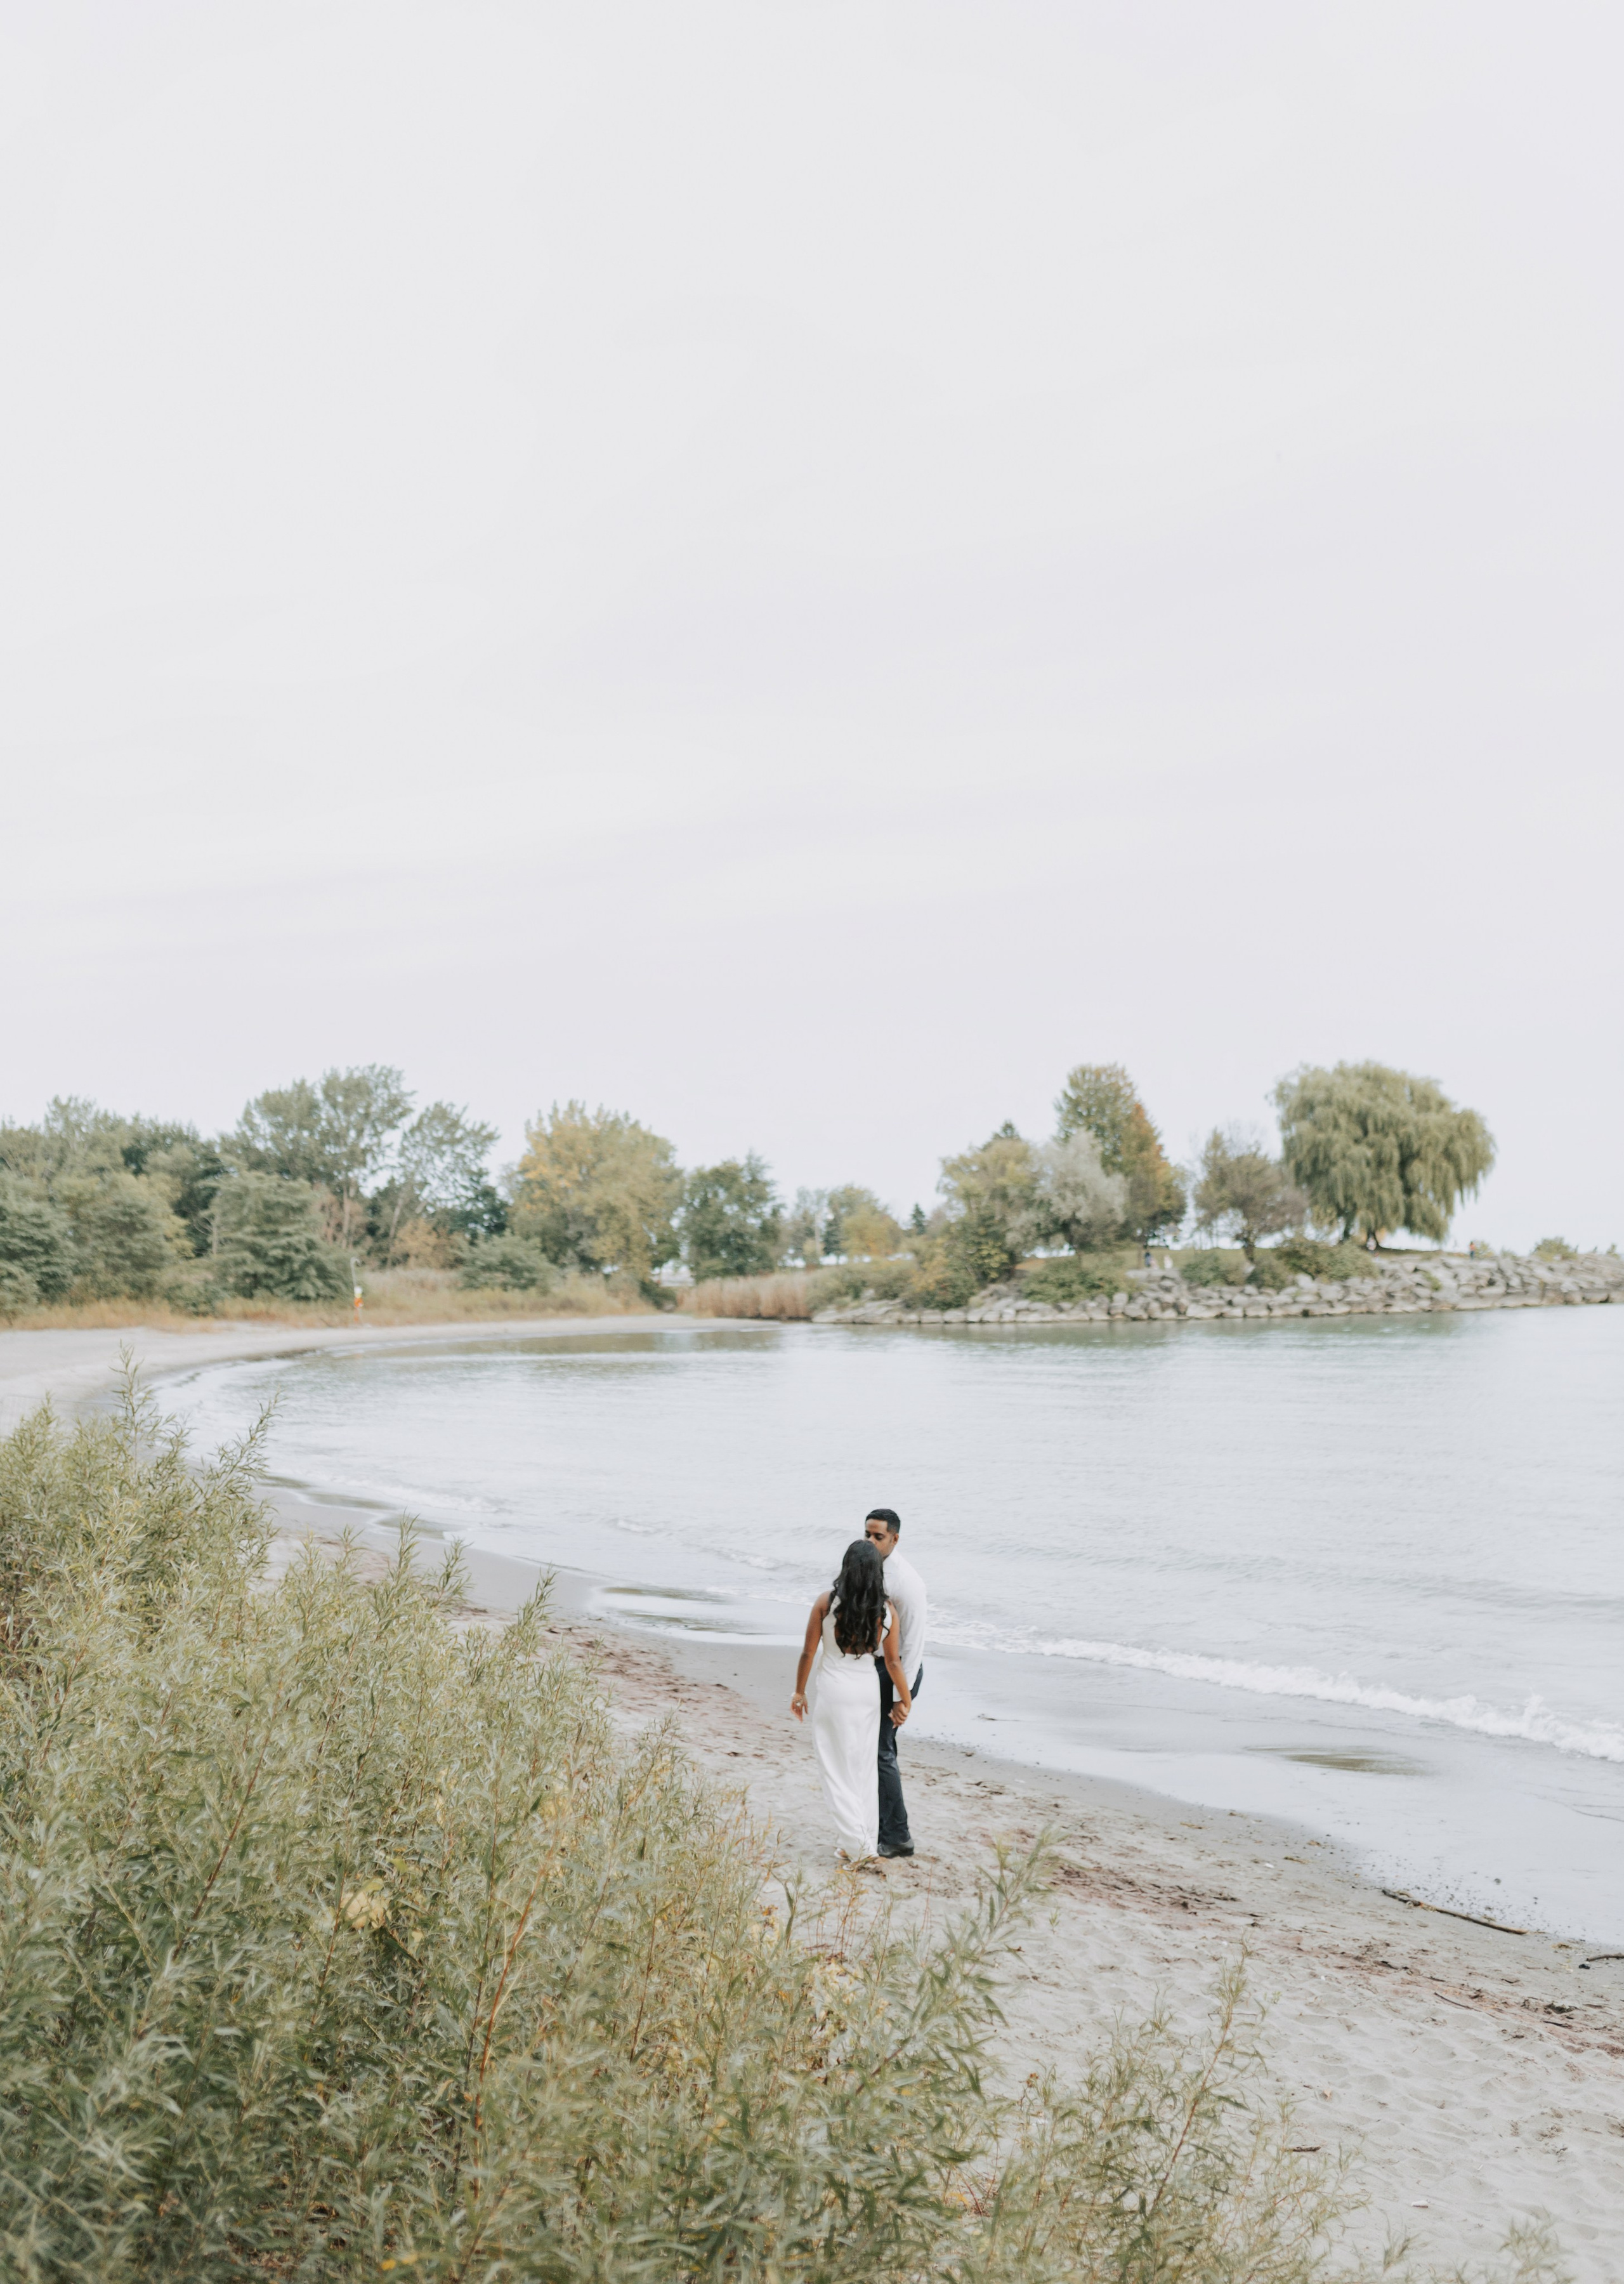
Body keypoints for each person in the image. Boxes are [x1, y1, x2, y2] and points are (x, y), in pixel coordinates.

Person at [791, 1538, 911, 1864]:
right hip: (866, 1692)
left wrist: (799, 1692)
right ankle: (858, 1842)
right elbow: (894, 1662)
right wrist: (905, 1698)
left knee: (835, 1768)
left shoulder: (826, 1603)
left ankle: (859, 1848)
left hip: (834, 1690)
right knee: (862, 1769)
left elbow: (808, 1652)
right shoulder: (886, 1611)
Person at [863, 1506, 926, 1858]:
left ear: (895, 1539)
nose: (871, 1541)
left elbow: (913, 1645)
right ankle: (884, 1827)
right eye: (867, 1535)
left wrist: (905, 1698)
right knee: (880, 1751)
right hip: (880, 1670)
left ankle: (899, 1836)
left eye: (879, 1536)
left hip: (899, 1671)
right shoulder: (875, 1567)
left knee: (881, 1752)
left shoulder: (904, 1581)